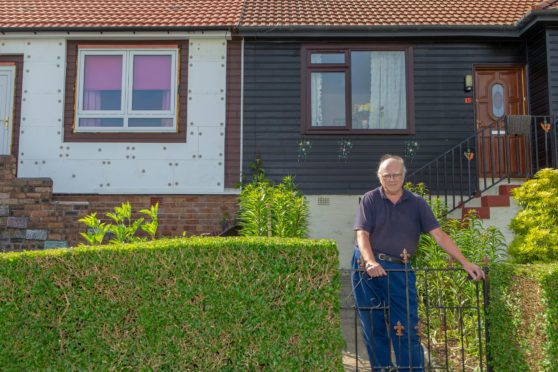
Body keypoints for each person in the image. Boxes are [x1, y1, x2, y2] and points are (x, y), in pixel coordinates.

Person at [351, 154, 485, 371]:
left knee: (405, 325)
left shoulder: (417, 203)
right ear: (380, 178)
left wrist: (464, 262)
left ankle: (410, 369)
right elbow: (362, 235)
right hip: (367, 268)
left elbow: (439, 235)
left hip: (399, 268)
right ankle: (382, 368)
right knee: (373, 326)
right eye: (386, 176)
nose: (391, 179)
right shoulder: (370, 199)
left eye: (395, 175)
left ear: (404, 176)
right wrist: (370, 262)